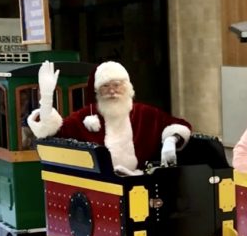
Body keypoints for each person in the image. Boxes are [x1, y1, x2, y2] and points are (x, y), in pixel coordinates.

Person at [27, 61, 191, 175]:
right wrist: (46, 99)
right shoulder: (86, 116)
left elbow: (178, 124)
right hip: (101, 189)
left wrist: (171, 140)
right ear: (97, 91)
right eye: (105, 86)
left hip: (140, 182)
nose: (112, 91)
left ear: (127, 87)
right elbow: (53, 132)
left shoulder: (145, 113)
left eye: (117, 85)